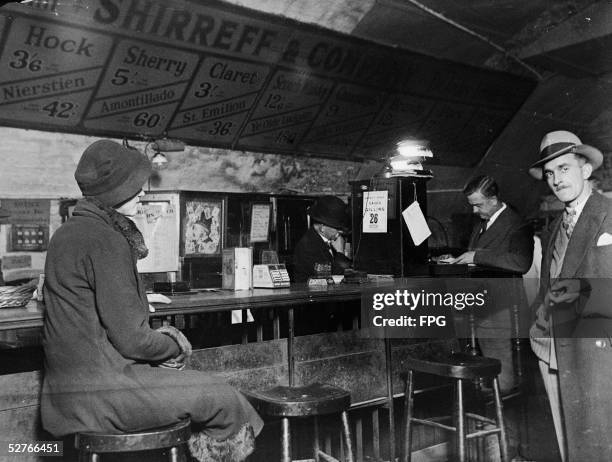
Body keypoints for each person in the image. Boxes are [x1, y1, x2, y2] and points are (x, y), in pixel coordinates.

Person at [41, 140, 263, 462]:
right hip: (104, 394)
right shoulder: (107, 239)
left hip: (65, 397)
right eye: (134, 186)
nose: (143, 192)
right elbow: (133, 341)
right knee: (225, 400)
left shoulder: (66, 233)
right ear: (113, 192)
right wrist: (176, 345)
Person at [529, 130, 612, 461]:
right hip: (554, 347)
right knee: (571, 446)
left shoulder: (608, 214)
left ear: (586, 170)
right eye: (550, 173)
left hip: (598, 352)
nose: (555, 180)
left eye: (564, 168)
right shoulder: (552, 229)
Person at [450, 175, 533, 393]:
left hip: (501, 307)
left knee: (500, 374)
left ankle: (504, 419)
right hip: (481, 304)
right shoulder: (482, 223)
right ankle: (488, 416)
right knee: (483, 371)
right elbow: (481, 254)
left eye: (478, 205)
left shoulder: (516, 224)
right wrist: (459, 260)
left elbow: (521, 262)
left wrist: (476, 257)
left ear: (494, 199)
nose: (474, 211)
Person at [292, 195, 351, 282]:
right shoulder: (309, 247)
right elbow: (333, 278)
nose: (340, 232)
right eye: (337, 228)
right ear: (322, 228)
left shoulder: (324, 240)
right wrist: (340, 252)